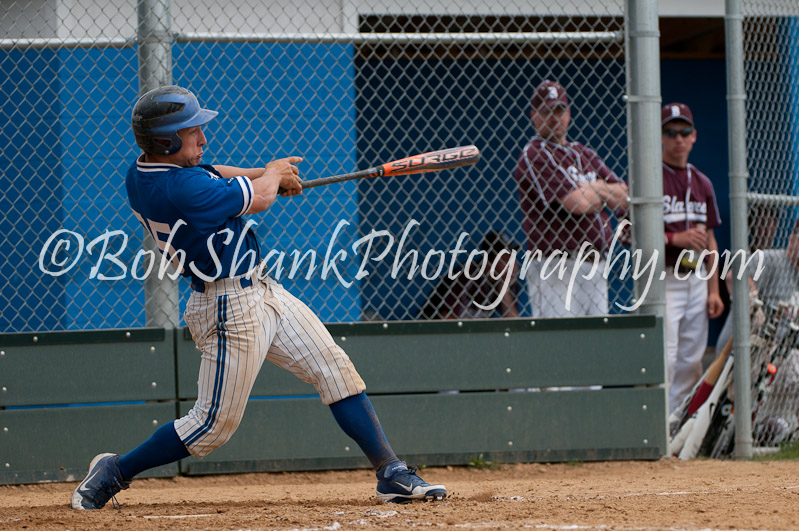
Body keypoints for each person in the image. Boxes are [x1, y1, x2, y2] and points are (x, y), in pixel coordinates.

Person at [70, 85, 446, 510]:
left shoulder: (144, 171)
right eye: (192, 132)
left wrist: (265, 176)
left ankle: (391, 472)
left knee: (335, 371)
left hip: (263, 290)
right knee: (211, 427)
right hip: (227, 307)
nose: (203, 138)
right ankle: (115, 470)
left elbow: (213, 172)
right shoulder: (180, 189)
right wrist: (271, 176)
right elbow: (258, 199)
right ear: (166, 141)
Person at [513, 80, 629, 317]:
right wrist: (602, 193)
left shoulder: (583, 153)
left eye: (560, 111)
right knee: (559, 338)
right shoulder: (534, 153)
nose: (555, 118)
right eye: (547, 112)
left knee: (597, 337)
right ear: (534, 116)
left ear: (568, 113)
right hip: (556, 265)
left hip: (595, 264)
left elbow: (623, 196)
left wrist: (594, 188)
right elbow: (578, 203)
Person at [661, 102, 725, 413]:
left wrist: (713, 290)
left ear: (694, 136)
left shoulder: (702, 182)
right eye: (671, 132)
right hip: (663, 277)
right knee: (665, 356)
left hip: (697, 278)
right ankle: (657, 423)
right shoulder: (650, 177)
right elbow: (629, 232)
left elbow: (710, 240)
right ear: (660, 137)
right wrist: (675, 238)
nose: (678, 139)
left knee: (691, 359)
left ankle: (677, 423)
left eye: (684, 132)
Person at [419, 231, 520, 320]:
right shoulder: (466, 276)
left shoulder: (506, 280)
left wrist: (504, 291)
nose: (513, 264)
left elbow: (514, 323)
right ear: (489, 263)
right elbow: (446, 318)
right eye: (505, 259)